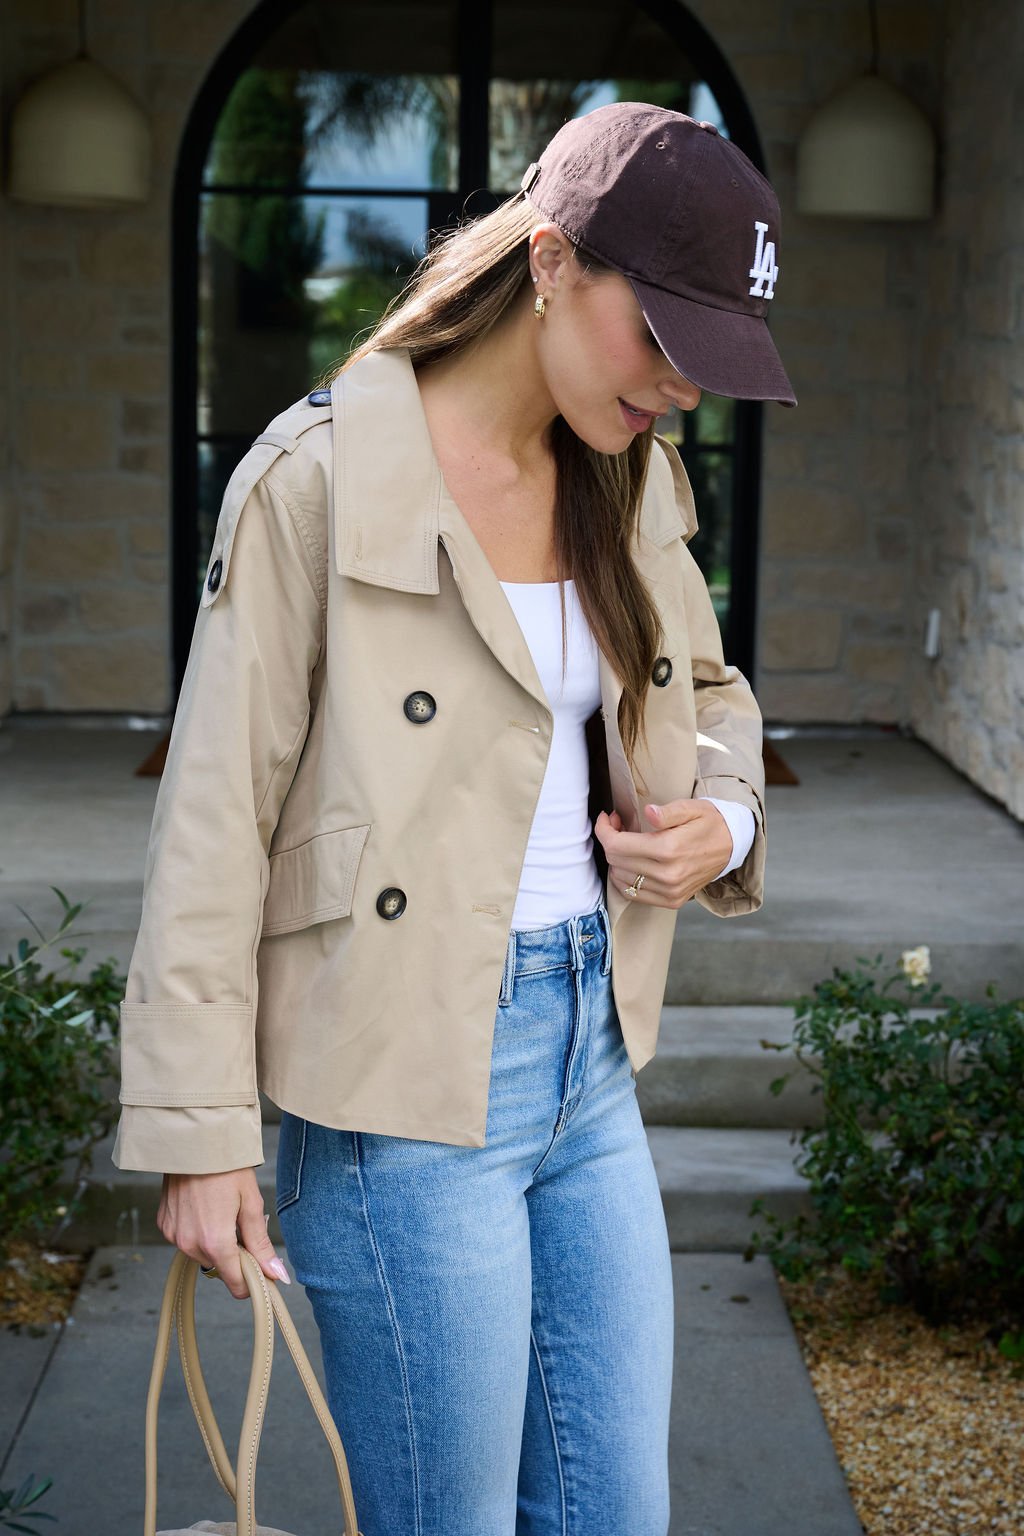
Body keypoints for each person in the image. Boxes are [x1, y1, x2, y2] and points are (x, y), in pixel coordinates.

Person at [113, 101, 795, 1536]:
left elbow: (715, 692)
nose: (682, 390)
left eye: (709, 357)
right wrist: (199, 1131)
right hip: (400, 1091)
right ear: (550, 261)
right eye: (662, 339)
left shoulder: (627, 475)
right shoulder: (314, 477)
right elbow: (214, 816)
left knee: (616, 1514)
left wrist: (722, 823)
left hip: (589, 1058)